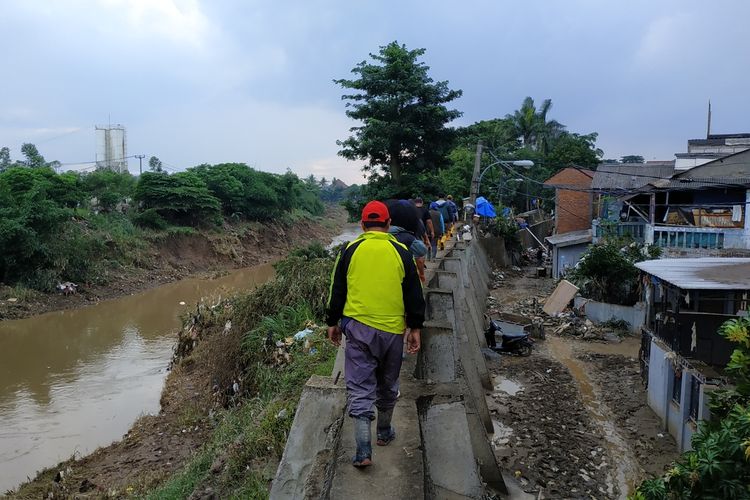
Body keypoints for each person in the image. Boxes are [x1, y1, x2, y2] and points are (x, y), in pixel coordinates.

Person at [326, 200, 425, 468]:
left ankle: (363, 451)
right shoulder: (401, 251)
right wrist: (415, 328)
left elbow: (338, 289)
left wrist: (332, 321)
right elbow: (414, 295)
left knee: (360, 387)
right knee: (388, 383)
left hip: (357, 329)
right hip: (393, 331)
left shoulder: (350, 249)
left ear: (362, 225)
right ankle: (383, 433)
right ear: (388, 224)